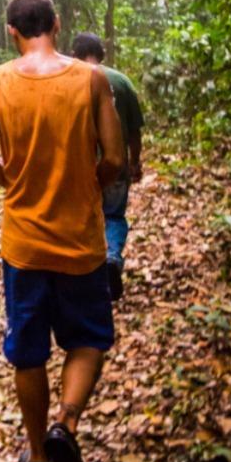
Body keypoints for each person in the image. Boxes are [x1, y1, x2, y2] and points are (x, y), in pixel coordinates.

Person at [0, 0, 124, 462]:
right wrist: (85, 189)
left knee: (28, 353)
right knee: (87, 340)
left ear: (10, 31)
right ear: (57, 24)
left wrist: (14, 181)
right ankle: (66, 425)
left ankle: (38, 456)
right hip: (81, 239)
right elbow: (115, 160)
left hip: (24, 245)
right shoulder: (92, 79)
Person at [72, 32, 144, 300]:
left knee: (82, 219)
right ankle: (111, 257)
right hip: (115, 167)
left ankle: (84, 273)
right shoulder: (122, 82)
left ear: (74, 55)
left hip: (80, 168)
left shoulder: (68, 82)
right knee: (112, 216)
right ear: (101, 54)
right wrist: (134, 162)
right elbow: (135, 131)